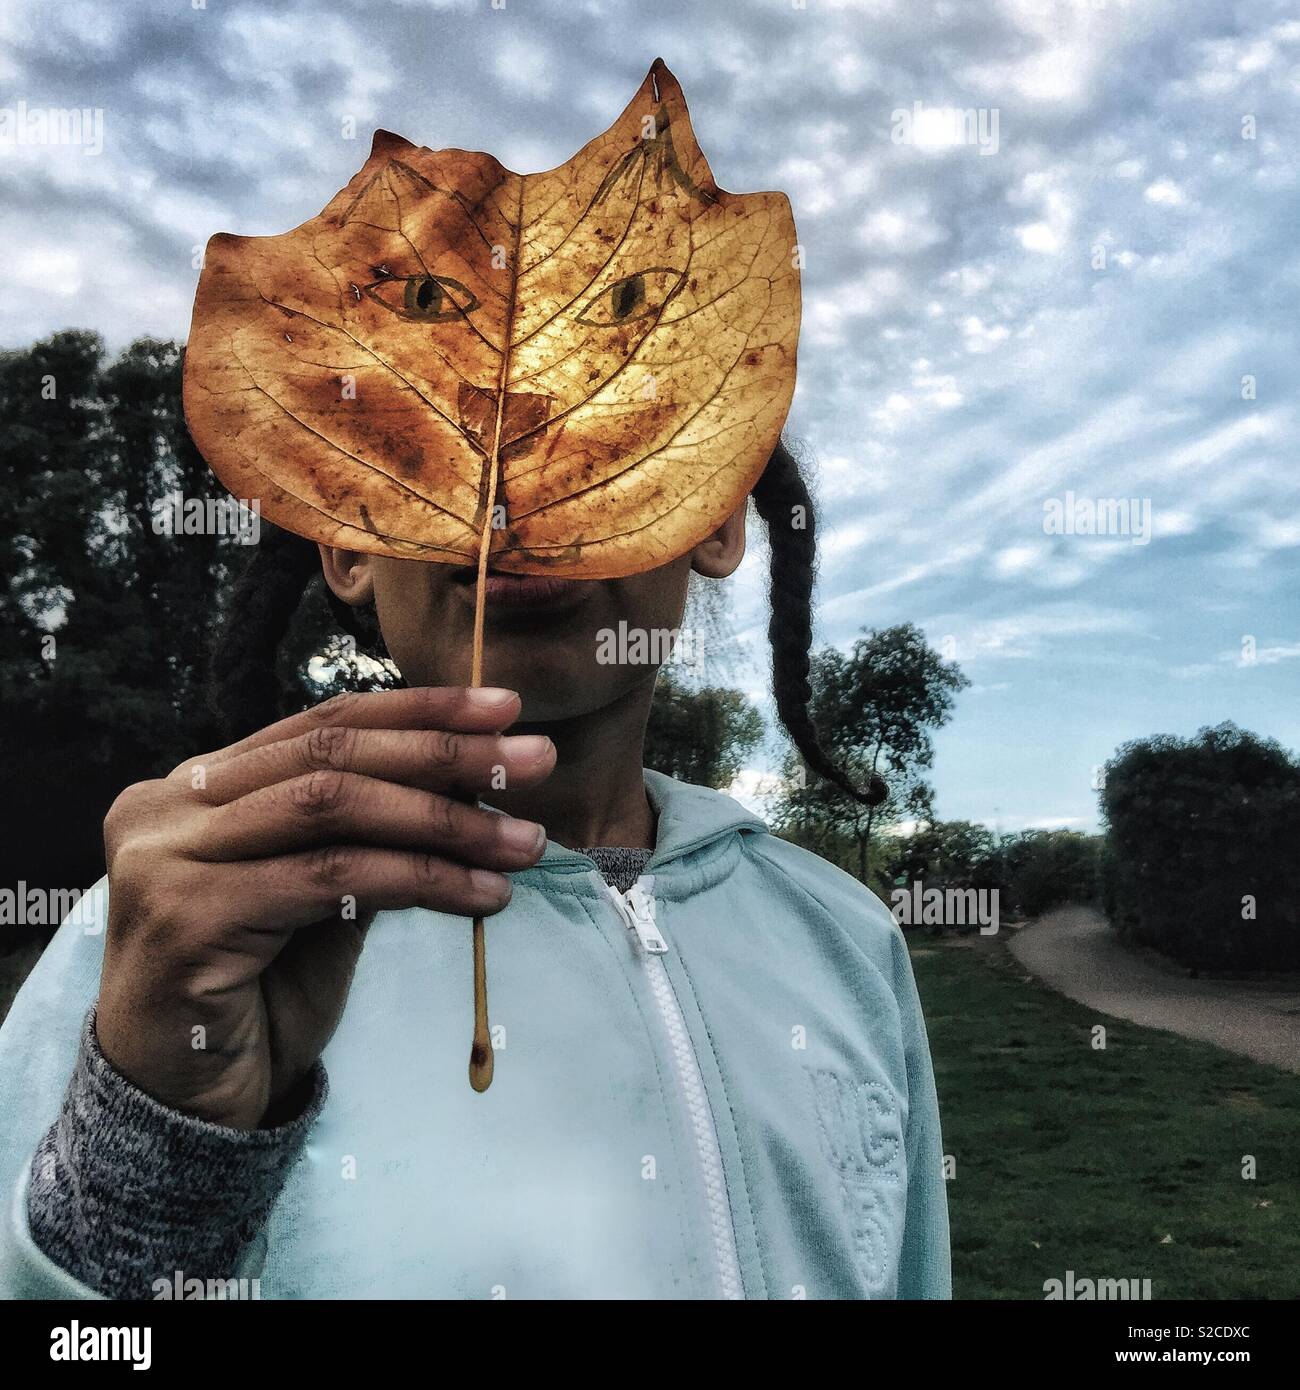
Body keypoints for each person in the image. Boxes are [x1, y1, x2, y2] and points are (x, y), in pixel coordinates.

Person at [0, 440, 950, 1300]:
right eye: (428, 437)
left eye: (605, 423)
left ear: (713, 516)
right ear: (348, 545)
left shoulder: (849, 941)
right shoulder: (166, 944)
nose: (511, 486)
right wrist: (148, 1178)